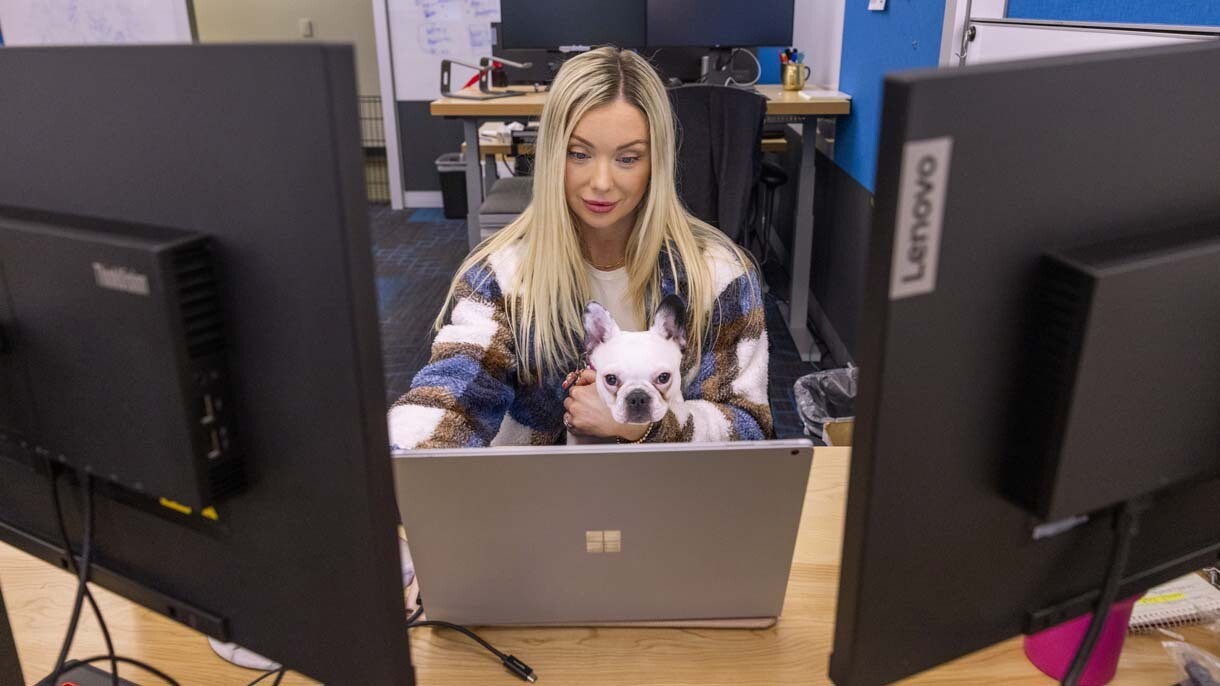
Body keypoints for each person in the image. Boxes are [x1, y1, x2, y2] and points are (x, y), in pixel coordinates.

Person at [388, 46, 773, 448]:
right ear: (552, 155)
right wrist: (403, 459)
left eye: (627, 158)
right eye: (579, 153)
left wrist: (639, 425)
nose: (601, 182)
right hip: (539, 492)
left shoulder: (718, 274)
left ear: (656, 161)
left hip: (669, 494)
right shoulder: (502, 275)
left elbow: (749, 426)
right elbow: (455, 390)